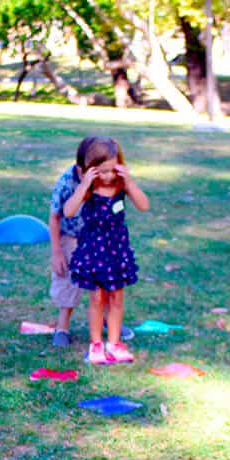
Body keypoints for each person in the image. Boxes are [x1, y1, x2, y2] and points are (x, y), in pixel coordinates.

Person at [64, 137, 149, 365]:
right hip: (93, 249)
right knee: (97, 299)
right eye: (101, 171)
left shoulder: (121, 187)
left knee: (117, 298)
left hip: (116, 250)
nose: (107, 176)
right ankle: (96, 345)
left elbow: (144, 205)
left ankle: (114, 343)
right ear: (90, 171)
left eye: (111, 170)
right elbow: (69, 211)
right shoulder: (89, 190)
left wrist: (129, 182)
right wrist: (83, 186)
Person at [49, 137, 135, 348]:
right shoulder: (67, 182)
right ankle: (62, 327)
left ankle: (108, 322)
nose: (105, 175)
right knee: (68, 279)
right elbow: (56, 216)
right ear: (82, 169)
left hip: (102, 240)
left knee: (105, 283)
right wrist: (57, 252)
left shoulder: (111, 180)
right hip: (72, 236)